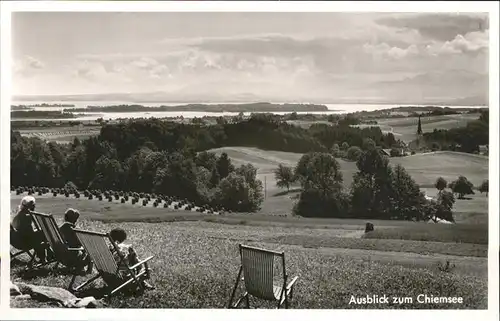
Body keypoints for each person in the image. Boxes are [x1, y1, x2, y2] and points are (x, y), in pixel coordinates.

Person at [10, 196, 46, 263]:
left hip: (16, 241)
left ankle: (46, 255)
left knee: (39, 234)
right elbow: (29, 234)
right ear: (29, 207)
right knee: (42, 233)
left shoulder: (19, 214)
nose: (34, 208)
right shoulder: (26, 217)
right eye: (33, 206)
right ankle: (43, 258)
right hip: (24, 243)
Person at [59, 208, 93, 274]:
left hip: (61, 256)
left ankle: (80, 268)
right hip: (72, 258)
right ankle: (88, 271)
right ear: (74, 219)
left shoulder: (61, 228)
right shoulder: (73, 230)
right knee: (89, 249)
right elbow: (81, 243)